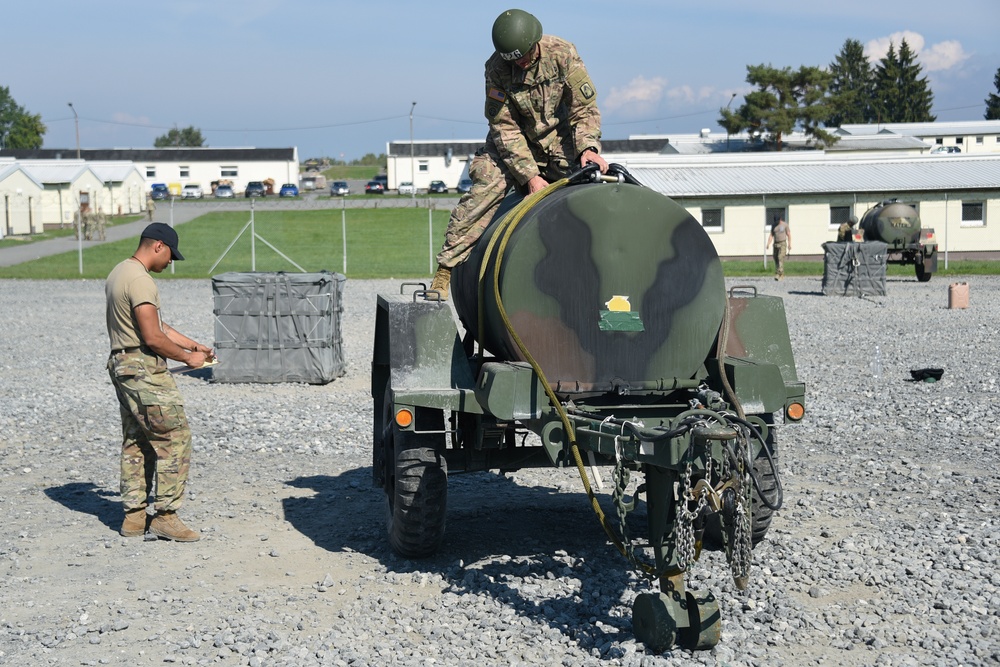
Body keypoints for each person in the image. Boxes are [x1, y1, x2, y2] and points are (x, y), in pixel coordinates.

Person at [429, 8, 608, 300]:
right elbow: (504, 127)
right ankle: (445, 271)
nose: (520, 64)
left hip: (560, 140)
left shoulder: (562, 53)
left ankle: (595, 268)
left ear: (535, 42)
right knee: (485, 184)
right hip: (515, 145)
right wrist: (531, 177)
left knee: (588, 188)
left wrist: (588, 148)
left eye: (524, 56)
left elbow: (584, 108)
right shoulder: (496, 69)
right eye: (513, 60)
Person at [105, 223, 214, 541]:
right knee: (174, 437)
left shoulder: (120, 273)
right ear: (158, 246)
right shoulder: (141, 280)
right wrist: (187, 358)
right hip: (142, 369)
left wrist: (195, 346)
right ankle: (166, 516)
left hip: (123, 365)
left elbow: (158, 325)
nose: (170, 262)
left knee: (137, 440)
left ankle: (134, 517)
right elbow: (153, 336)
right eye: (170, 255)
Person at [766, 215, 791, 280]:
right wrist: (768, 243)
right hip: (776, 244)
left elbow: (789, 234)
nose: (776, 222)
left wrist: (789, 244)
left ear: (780, 219)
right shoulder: (773, 225)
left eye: (777, 221)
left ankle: (781, 274)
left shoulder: (785, 225)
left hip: (782, 243)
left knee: (780, 257)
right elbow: (771, 235)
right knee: (776, 258)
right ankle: (777, 273)